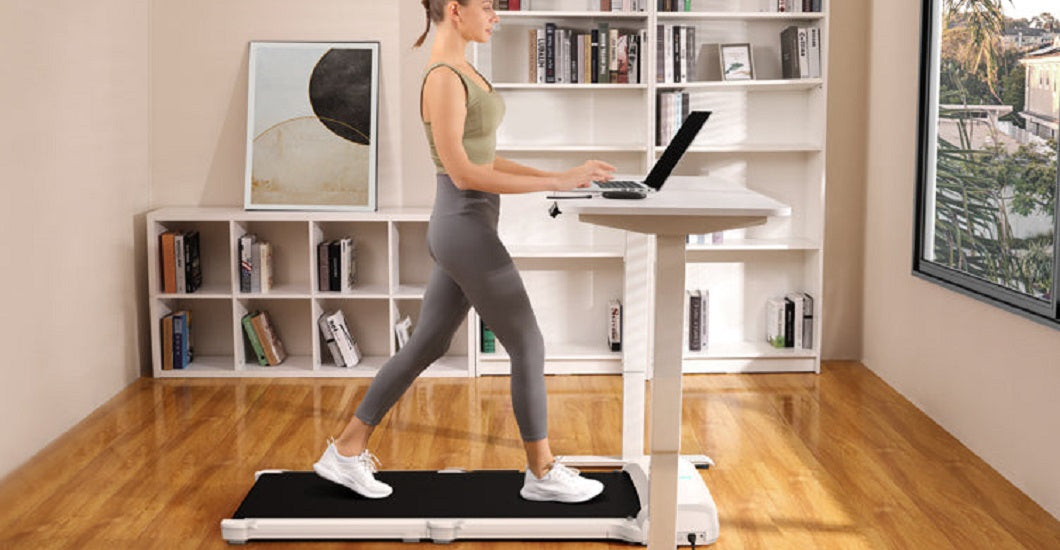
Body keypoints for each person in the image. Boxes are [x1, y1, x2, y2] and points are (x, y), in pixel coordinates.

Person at [312, 0, 616, 503]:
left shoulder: (462, 70)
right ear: (455, 9)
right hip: (463, 227)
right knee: (528, 344)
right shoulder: (442, 78)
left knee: (426, 345)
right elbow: (463, 173)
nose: (496, 15)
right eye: (489, 6)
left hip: (465, 226)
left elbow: (485, 155)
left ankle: (345, 451)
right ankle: (541, 472)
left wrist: (562, 176)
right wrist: (557, 181)